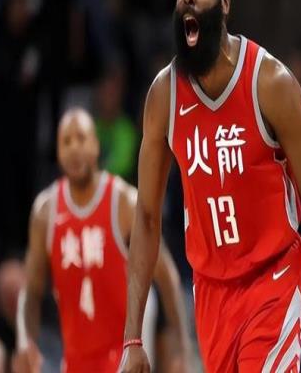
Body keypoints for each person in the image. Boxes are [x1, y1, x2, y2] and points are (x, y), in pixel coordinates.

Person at [122, 0, 301, 372]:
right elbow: (145, 215)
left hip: (272, 280)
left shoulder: (271, 83)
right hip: (211, 292)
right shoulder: (164, 95)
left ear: (225, 2)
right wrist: (132, 339)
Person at [14, 108, 191, 373]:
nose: (74, 148)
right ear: (58, 153)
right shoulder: (45, 213)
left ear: (96, 146)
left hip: (122, 351)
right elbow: (31, 290)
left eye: (81, 138)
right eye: (66, 141)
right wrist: (24, 339)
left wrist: (181, 348)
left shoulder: (124, 202)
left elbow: (167, 277)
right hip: (76, 357)